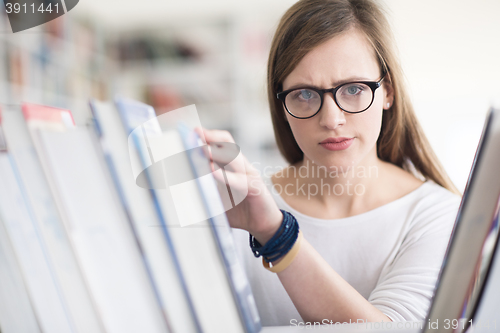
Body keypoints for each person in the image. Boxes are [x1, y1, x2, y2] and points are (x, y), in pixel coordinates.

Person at [198, 0, 461, 326]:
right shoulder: (238, 210)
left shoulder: (440, 216)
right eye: (305, 94)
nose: (331, 119)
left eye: (353, 89)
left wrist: (276, 234)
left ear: (388, 92)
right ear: (281, 105)